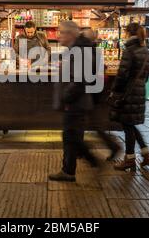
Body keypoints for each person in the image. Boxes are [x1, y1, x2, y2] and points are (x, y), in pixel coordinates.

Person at [49, 21, 100, 182]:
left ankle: (89, 162)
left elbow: (79, 80)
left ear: (71, 34)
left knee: (72, 136)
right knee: (71, 136)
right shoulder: (77, 49)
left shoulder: (80, 51)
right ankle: (69, 170)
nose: (58, 36)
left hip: (76, 102)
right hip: (76, 101)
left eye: (62, 32)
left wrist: (67, 97)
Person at [109, 22, 149, 171]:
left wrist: (115, 91)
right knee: (131, 124)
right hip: (139, 90)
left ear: (128, 33)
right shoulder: (146, 51)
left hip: (128, 92)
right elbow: (147, 75)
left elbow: (122, 74)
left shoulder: (129, 50)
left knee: (127, 126)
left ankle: (129, 159)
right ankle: (146, 154)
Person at [82, 29, 121, 161]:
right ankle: (82, 152)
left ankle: (112, 147)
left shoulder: (88, 52)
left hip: (92, 93)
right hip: (97, 92)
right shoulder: (95, 51)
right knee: (90, 123)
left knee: (94, 124)